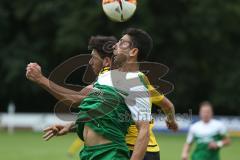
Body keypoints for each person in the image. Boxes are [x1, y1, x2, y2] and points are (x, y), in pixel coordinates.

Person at [27, 29, 178, 160]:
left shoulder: (136, 82)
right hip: (102, 150)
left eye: (93, 57)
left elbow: (77, 99)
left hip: (137, 149)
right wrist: (72, 125)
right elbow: (93, 106)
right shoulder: (109, 77)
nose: (90, 62)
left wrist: (41, 80)